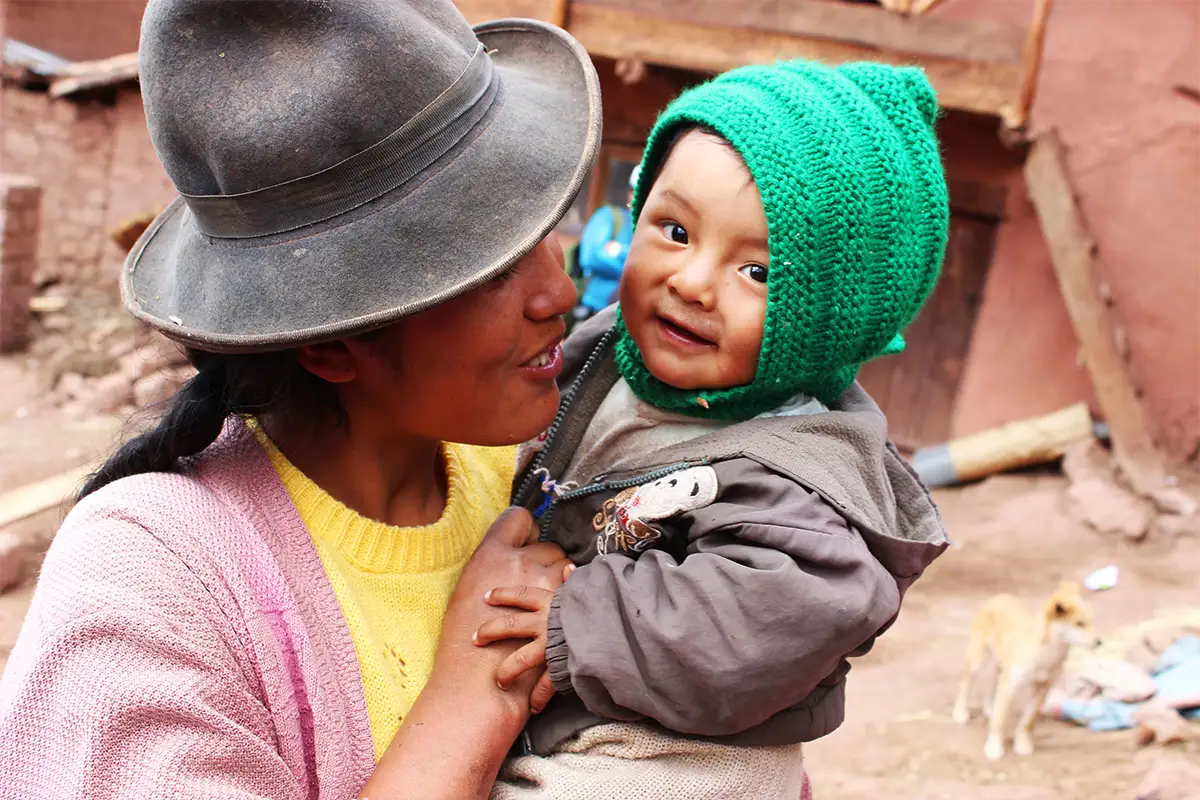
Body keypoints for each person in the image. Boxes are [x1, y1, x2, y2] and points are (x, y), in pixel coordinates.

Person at [0, 0, 603, 797]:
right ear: (328, 343)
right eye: (492, 266)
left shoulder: (535, 474)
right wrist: (472, 695)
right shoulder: (152, 589)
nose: (560, 291)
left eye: (544, 227)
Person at [478, 61, 953, 797]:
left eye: (758, 272)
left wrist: (580, 620)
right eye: (674, 230)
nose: (693, 282)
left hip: (682, 751)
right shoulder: (607, 350)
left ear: (829, 325)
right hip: (590, 698)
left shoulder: (796, 469)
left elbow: (781, 616)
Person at [573, 166, 640, 322]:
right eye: (635, 191)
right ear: (629, 193)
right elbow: (591, 257)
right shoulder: (609, 217)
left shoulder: (652, 230)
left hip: (629, 321)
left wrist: (620, 252)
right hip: (594, 313)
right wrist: (636, 268)